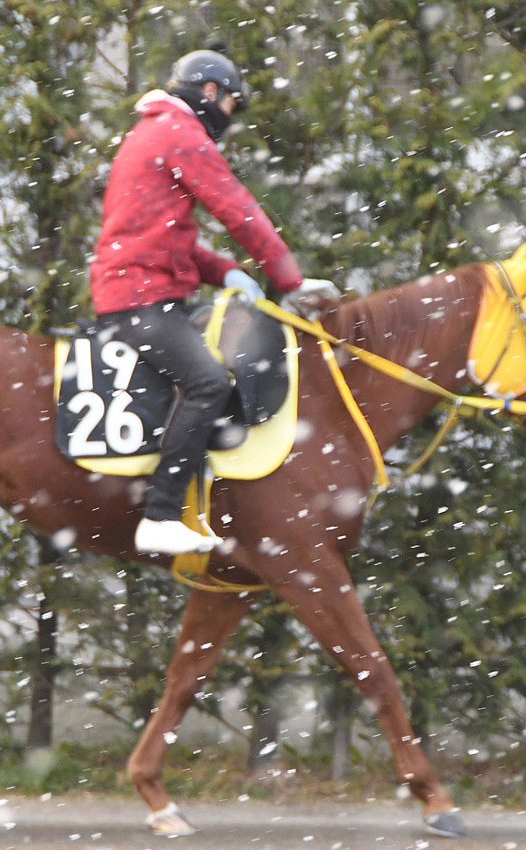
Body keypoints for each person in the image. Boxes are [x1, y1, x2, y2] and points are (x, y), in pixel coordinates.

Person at [89, 48, 338, 557]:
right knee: (208, 383)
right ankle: (159, 516)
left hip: (131, 291)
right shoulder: (181, 134)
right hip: (142, 300)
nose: (228, 114)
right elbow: (238, 210)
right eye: (230, 102)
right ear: (209, 92)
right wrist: (288, 281)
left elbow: (160, 239)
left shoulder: (149, 132)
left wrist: (225, 271)